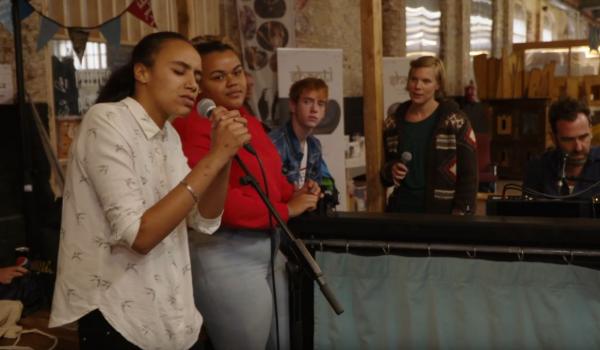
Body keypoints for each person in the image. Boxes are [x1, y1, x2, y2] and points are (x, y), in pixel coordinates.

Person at [49, 32, 250, 350]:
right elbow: (139, 235)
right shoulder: (106, 120)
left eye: (197, 77)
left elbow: (204, 218)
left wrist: (223, 157)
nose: (193, 85)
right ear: (142, 72)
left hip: (170, 311)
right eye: (179, 71)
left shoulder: (168, 135)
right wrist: (214, 157)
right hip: (119, 314)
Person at [172, 40, 320, 350]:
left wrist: (297, 192)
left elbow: (270, 176)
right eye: (219, 76)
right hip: (227, 255)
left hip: (268, 248)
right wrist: (287, 210)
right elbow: (220, 201)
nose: (233, 82)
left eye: (237, 72)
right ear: (199, 83)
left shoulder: (245, 118)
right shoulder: (191, 126)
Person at [380, 56, 478, 214]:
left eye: (426, 81)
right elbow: (384, 170)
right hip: (401, 209)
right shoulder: (393, 122)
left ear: (438, 85)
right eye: (414, 79)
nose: (418, 86)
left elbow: (469, 176)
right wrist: (391, 169)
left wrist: (462, 212)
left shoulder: (456, 121)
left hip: (441, 213)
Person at [269, 77, 338, 202]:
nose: (314, 109)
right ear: (293, 106)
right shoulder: (274, 143)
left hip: (303, 216)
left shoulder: (314, 145)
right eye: (307, 102)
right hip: (279, 216)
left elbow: (322, 184)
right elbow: (268, 194)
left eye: (320, 104)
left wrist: (316, 189)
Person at [523, 97, 600, 198]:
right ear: (554, 138)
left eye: (583, 137)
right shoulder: (538, 169)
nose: (578, 148)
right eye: (568, 140)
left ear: (590, 131)